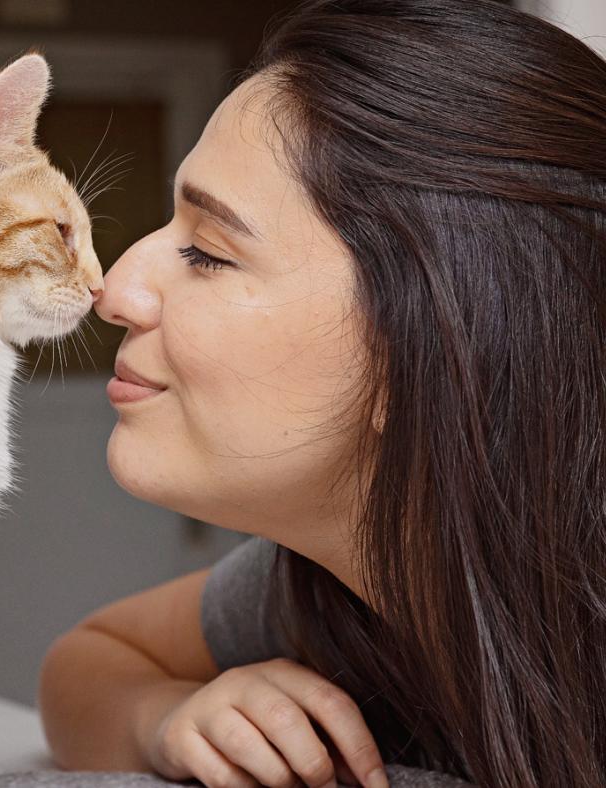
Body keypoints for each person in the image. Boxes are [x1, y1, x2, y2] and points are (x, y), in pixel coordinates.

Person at [37, 1, 606, 786]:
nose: (116, 288)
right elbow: (89, 661)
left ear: (423, 353)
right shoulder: (322, 586)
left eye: (207, 251)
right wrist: (164, 720)